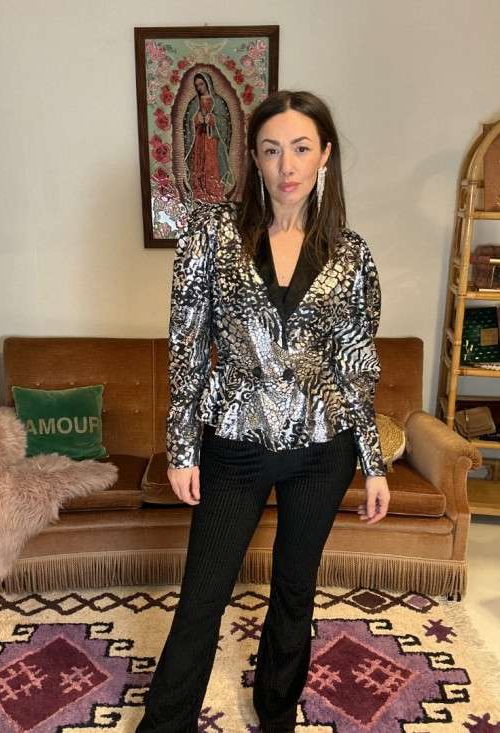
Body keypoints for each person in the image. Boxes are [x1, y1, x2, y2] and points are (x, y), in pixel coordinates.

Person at [136, 90, 390, 733]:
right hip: (234, 445)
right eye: (272, 150)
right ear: (253, 156)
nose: (287, 165)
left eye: (301, 148)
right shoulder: (210, 234)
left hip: (322, 449)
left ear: (325, 154)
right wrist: (183, 448)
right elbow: (188, 347)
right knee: (203, 596)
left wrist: (374, 463)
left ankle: (277, 713)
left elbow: (358, 368)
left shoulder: (352, 254)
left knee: (294, 591)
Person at [183, 71, 234, 203]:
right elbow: (187, 122)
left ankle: (214, 194)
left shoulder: (218, 101)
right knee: (198, 164)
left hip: (212, 140)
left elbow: (224, 123)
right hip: (198, 140)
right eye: (197, 85)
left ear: (207, 83)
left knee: (211, 165)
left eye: (201, 84)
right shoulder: (194, 103)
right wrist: (197, 119)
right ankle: (199, 194)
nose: (199, 87)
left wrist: (211, 119)